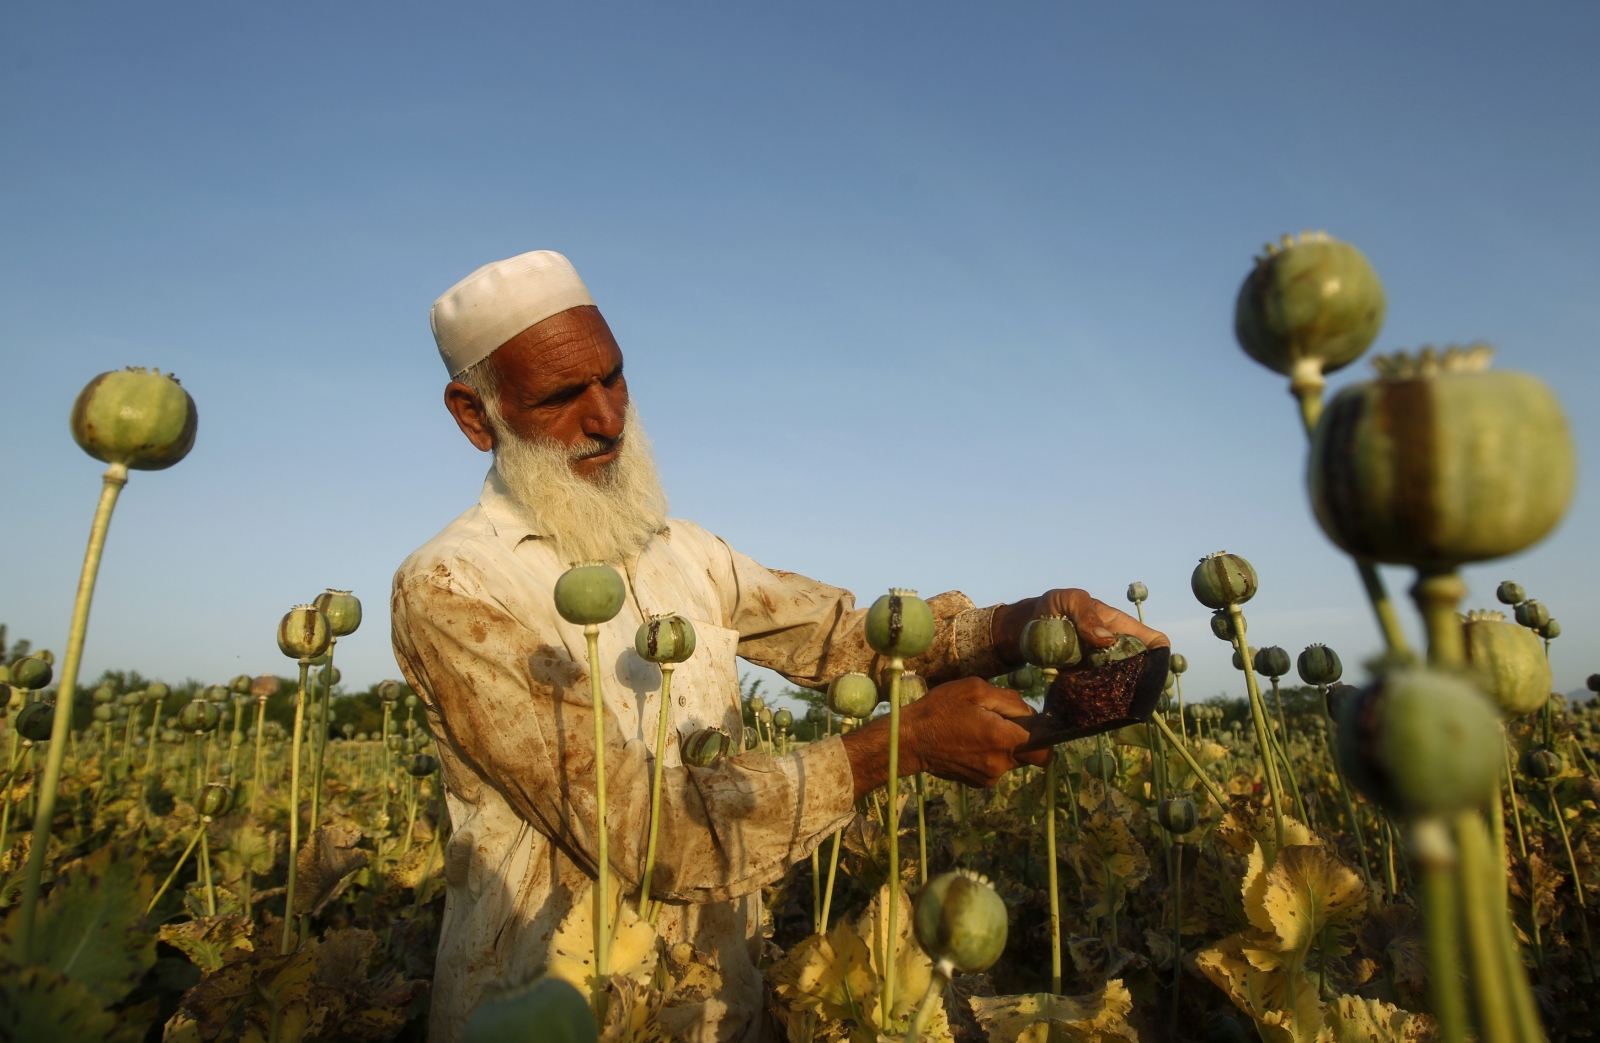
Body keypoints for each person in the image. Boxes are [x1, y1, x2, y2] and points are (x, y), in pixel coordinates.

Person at [392, 250, 1168, 1042]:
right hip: (547, 1013)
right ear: (474, 413)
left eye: (614, 378)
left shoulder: (682, 550)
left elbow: (853, 641)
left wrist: (1027, 624)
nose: (607, 417)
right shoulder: (455, 586)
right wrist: (897, 747)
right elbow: (643, 828)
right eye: (562, 396)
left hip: (723, 1002)